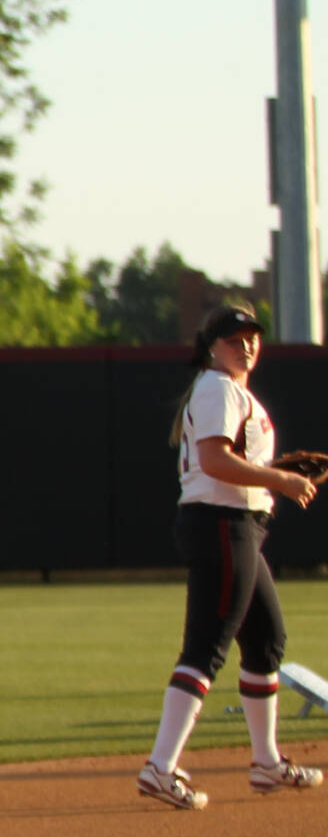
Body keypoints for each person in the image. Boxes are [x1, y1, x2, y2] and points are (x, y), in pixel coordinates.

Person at [138, 304, 323, 809]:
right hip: (221, 525)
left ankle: (265, 762)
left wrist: (277, 468)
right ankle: (160, 766)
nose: (246, 345)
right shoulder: (217, 385)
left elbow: (228, 460)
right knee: (207, 647)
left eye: (253, 336)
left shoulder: (228, 389)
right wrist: (280, 479)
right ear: (211, 344)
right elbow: (216, 461)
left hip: (235, 525)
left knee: (266, 638)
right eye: (235, 336)